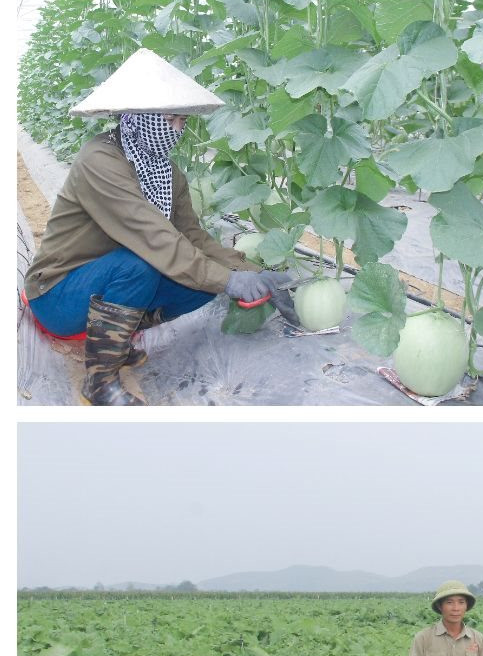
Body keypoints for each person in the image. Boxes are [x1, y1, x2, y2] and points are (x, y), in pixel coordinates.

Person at [22, 48, 294, 405]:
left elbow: (192, 236)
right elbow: (154, 237)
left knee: (202, 284)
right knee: (145, 263)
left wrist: (248, 272)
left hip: (104, 285)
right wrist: (228, 279)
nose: (179, 130)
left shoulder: (165, 172)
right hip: (58, 294)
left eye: (183, 121)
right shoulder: (101, 160)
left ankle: (113, 342)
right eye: (172, 119)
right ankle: (100, 380)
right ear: (141, 118)